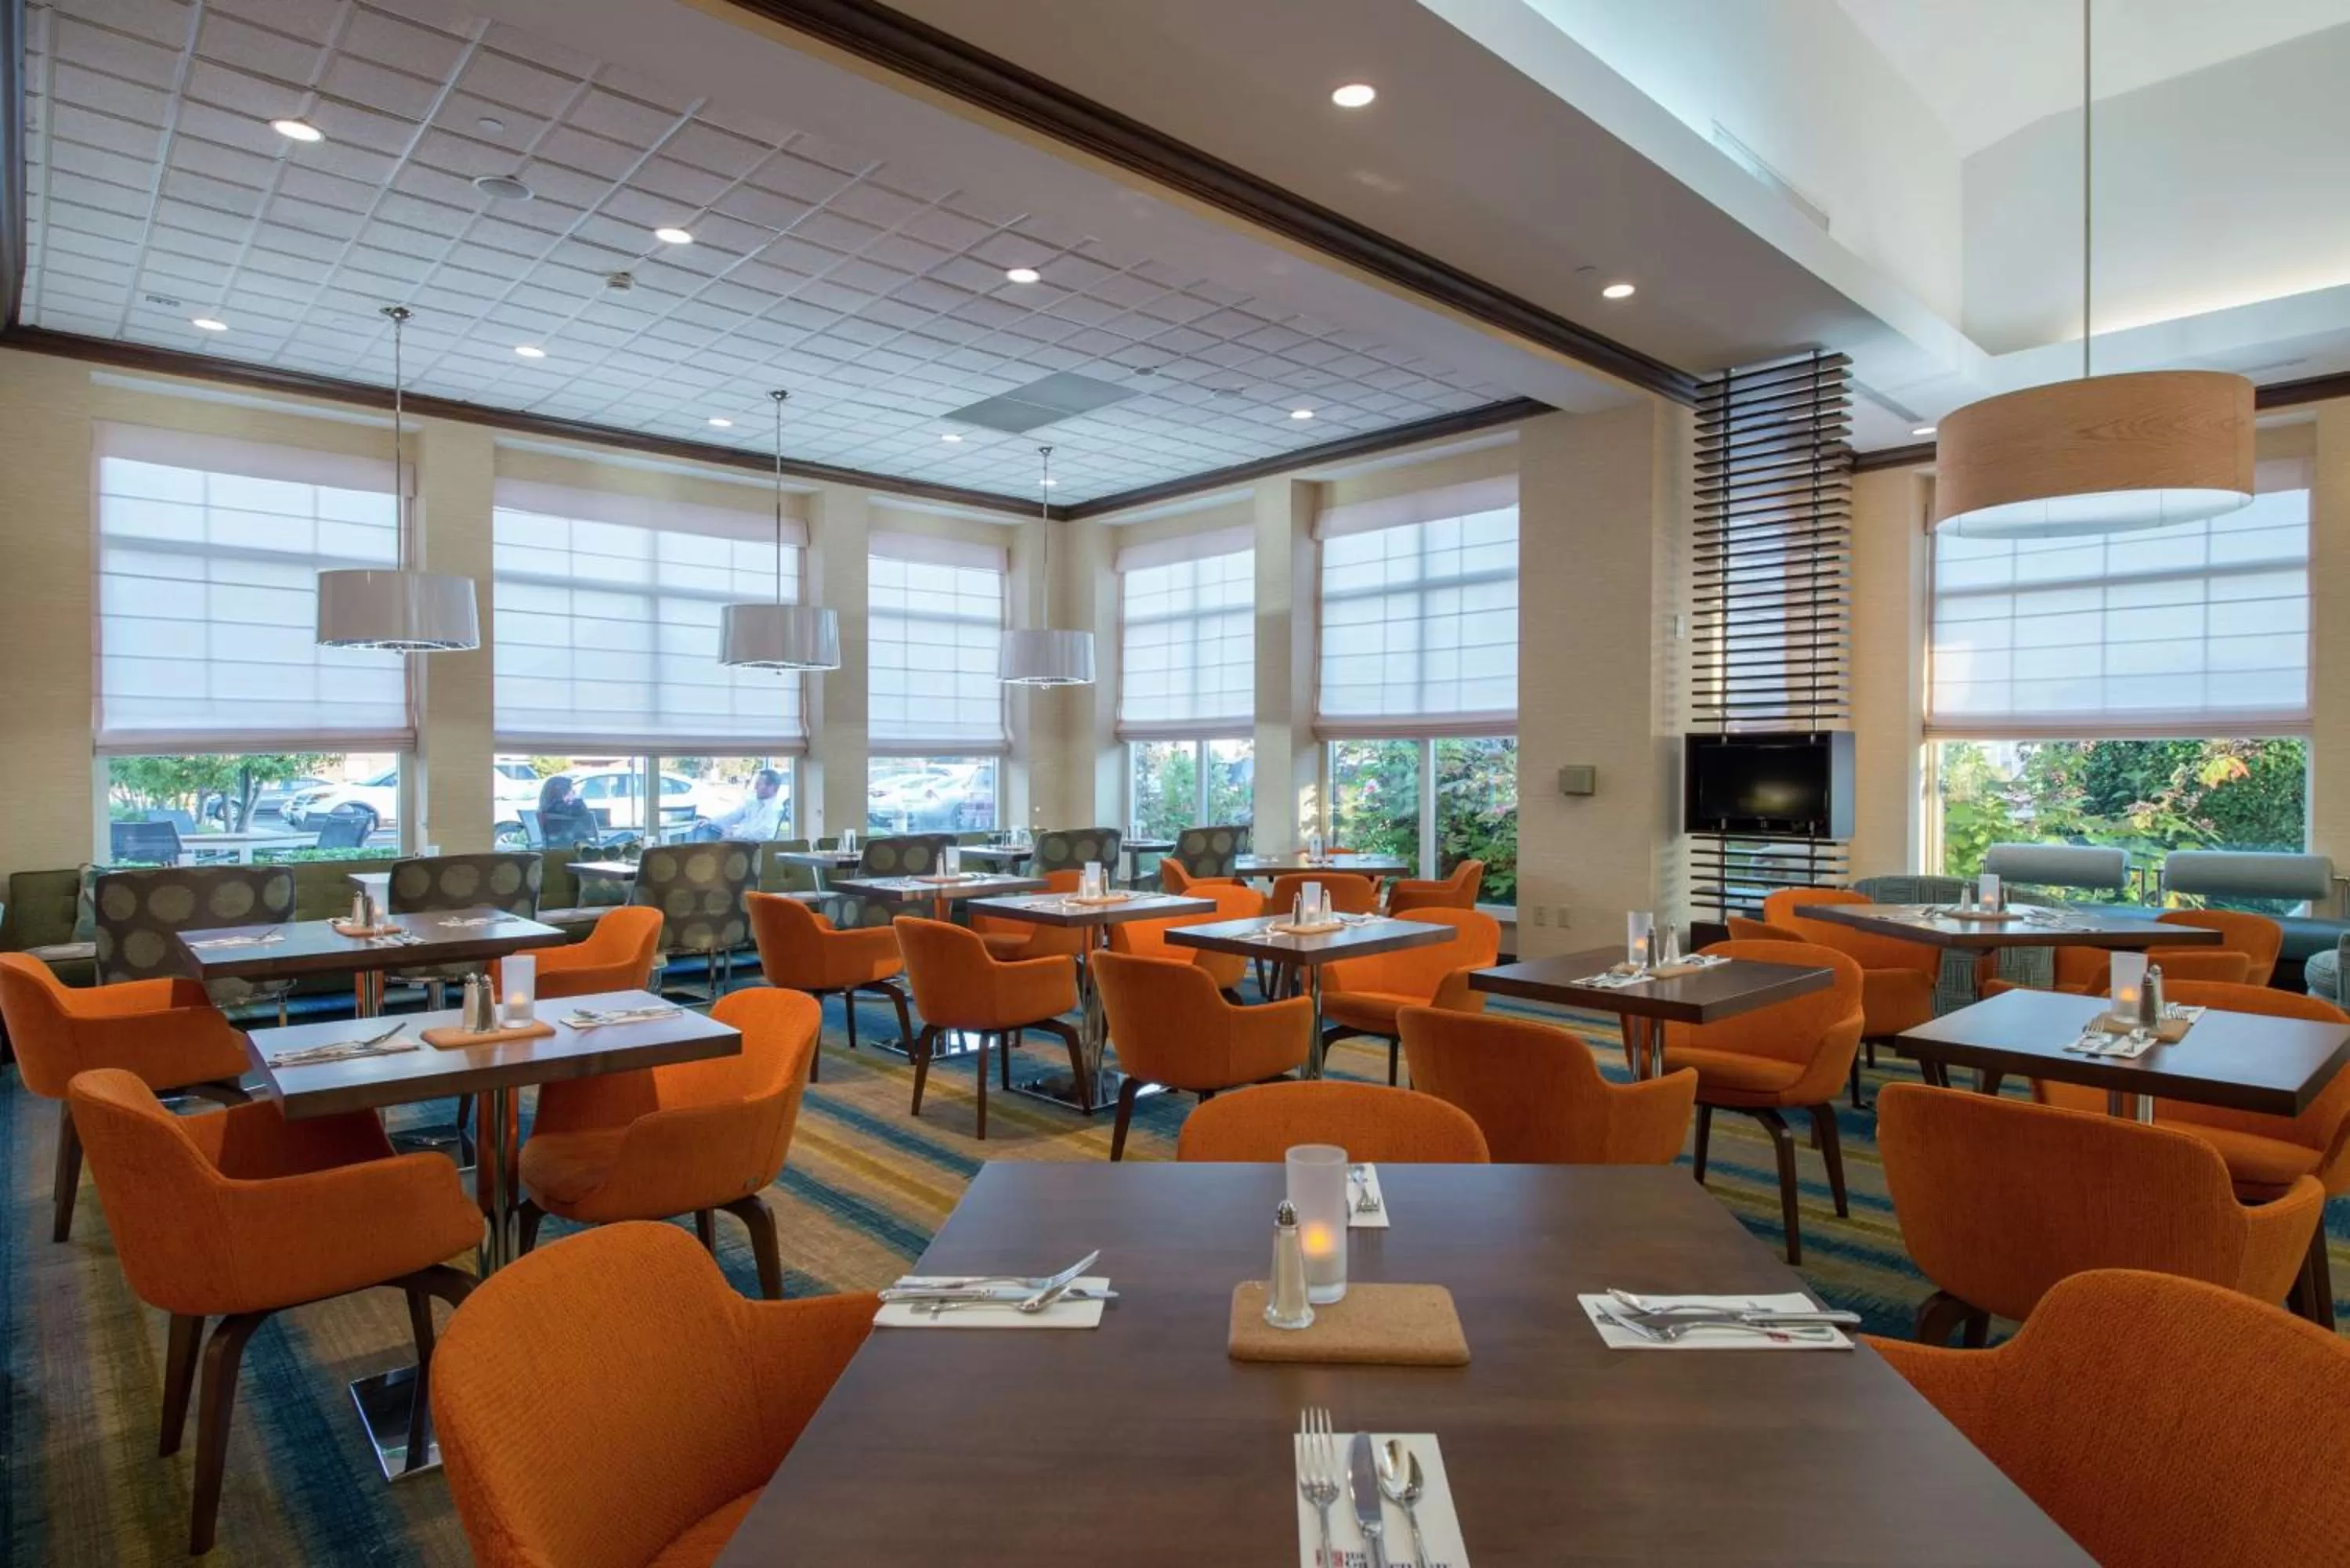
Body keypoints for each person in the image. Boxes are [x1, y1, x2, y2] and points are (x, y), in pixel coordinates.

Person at [706, 768, 787, 841]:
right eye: (756, 783)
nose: (755, 787)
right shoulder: (753, 803)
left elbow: (763, 834)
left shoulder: (775, 809)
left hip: (750, 847)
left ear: (774, 788)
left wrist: (733, 835)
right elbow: (732, 817)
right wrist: (710, 822)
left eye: (759, 784)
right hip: (737, 841)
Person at [537, 775, 602, 847]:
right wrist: (577, 801)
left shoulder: (545, 809)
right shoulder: (565, 808)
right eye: (570, 789)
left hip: (554, 846)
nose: (573, 792)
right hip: (576, 845)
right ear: (563, 791)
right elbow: (582, 811)